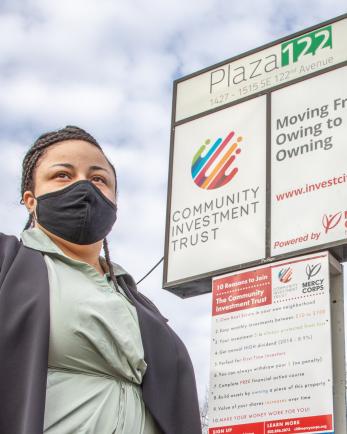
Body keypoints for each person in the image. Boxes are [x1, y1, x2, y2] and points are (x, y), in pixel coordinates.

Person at [0, 125, 202, 434]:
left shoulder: (137, 302)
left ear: (115, 202)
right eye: (63, 175)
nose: (84, 187)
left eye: (98, 179)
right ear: (31, 199)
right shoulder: (7, 262)